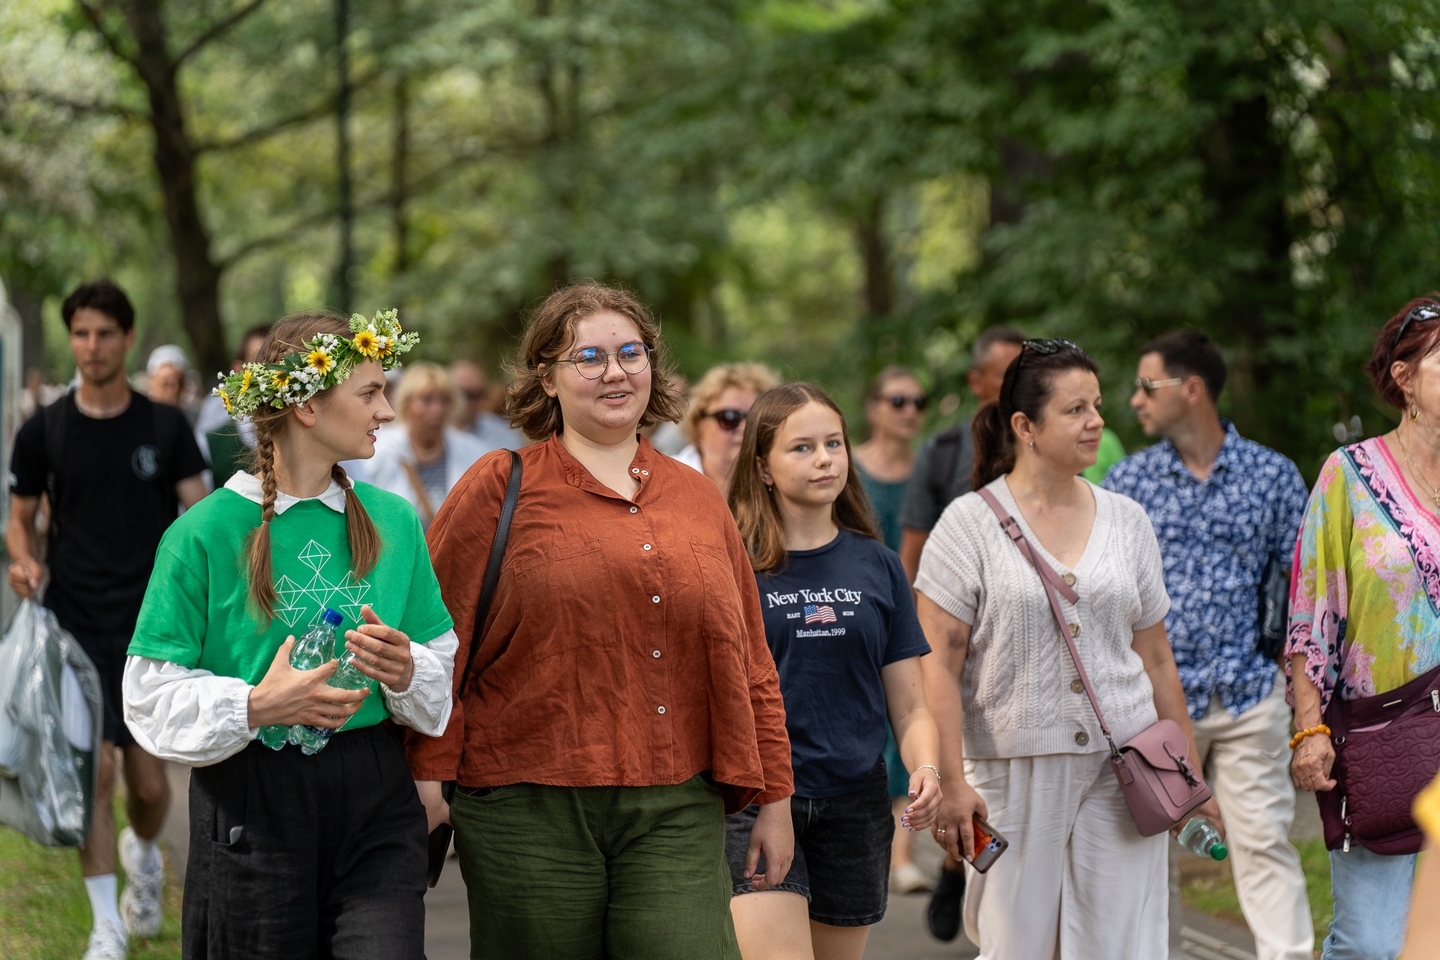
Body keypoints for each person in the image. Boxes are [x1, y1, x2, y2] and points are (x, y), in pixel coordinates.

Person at [406, 281, 794, 960]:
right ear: (547, 379)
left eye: (630, 352)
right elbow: (439, 648)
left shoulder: (700, 498)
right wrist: (428, 779)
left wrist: (777, 800)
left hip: (677, 801)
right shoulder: (498, 487)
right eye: (588, 357)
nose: (614, 372)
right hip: (527, 803)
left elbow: (750, 660)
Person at [122, 309, 456, 960]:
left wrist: (406, 668)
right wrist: (256, 704)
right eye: (370, 392)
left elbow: (439, 662)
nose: (386, 411)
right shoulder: (205, 533)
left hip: (374, 796)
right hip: (253, 798)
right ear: (306, 405)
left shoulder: (394, 522)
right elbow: (146, 693)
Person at [918, 338, 1222, 958]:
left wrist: (1189, 773)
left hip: (1127, 770)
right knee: (1017, 947)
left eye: (1098, 405)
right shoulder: (966, 526)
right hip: (1010, 772)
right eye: (1077, 409)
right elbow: (937, 670)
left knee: (1121, 946)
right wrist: (951, 780)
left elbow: (1156, 659)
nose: (1098, 421)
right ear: (1025, 426)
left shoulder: (1128, 520)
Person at [5, 280, 208, 960]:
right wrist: (24, 562)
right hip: (72, 630)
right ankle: (106, 926)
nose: (91, 346)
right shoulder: (46, 429)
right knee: (92, 775)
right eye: (81, 334)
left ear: (127, 338)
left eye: (104, 333)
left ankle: (144, 854)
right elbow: (21, 519)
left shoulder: (163, 426)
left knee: (148, 785)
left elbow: (198, 512)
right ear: (73, 340)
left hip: (150, 627)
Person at [1103, 330, 1313, 960]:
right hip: (1153, 708)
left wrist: (1295, 688)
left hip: (1248, 694)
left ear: (1191, 390)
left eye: (1148, 386)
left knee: (1264, 842)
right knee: (1148, 858)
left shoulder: (1272, 476)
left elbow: (1303, 588)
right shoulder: (1126, 482)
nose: (1135, 400)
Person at [725, 382, 942, 960]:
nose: (824, 459)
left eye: (834, 443)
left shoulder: (879, 563)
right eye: (801, 448)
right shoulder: (734, 563)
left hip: (855, 804)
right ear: (763, 467)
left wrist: (926, 768)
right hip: (759, 799)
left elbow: (912, 704)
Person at [1288, 296, 1440, 959]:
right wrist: (1309, 728)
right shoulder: (1348, 476)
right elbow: (1311, 616)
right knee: (1371, 943)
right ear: (1404, 378)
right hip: (1385, 739)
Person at [893, 326, 1022, 938]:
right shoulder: (943, 452)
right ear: (978, 382)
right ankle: (959, 867)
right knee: (956, 766)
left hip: (1014, 644)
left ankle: (959, 872)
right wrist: (905, 641)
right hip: (948, 639)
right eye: (1006, 372)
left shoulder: (1040, 446)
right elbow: (912, 552)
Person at [852, 366, 933, 894]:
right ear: (873, 406)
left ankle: (900, 853)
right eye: (898, 400)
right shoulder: (843, 465)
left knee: (907, 723)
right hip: (851, 615)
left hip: (912, 617)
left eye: (917, 402)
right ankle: (865, 843)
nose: (909, 411)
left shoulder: (929, 469)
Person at [367, 361, 493, 528]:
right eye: (426, 400)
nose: (437, 409)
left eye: (444, 401)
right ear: (406, 404)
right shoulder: (379, 451)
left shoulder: (473, 452)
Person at [674, 362, 781, 498]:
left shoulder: (781, 486)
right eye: (729, 417)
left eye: (756, 418)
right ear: (698, 425)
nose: (745, 428)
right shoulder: (663, 479)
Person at [450, 359, 526, 449]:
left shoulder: (503, 434)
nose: (475, 401)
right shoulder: (434, 435)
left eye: (480, 394)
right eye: (467, 394)